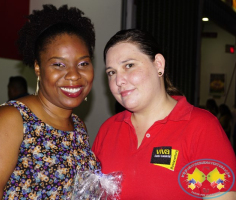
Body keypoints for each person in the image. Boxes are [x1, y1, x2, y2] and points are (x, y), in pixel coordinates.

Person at [0, 5, 100, 200]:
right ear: (38, 68)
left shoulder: (79, 128)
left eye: (83, 63)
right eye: (59, 64)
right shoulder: (12, 120)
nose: (74, 75)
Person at [92, 29, 236, 199]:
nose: (118, 81)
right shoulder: (108, 130)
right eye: (111, 72)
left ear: (158, 64)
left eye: (129, 65)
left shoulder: (201, 128)